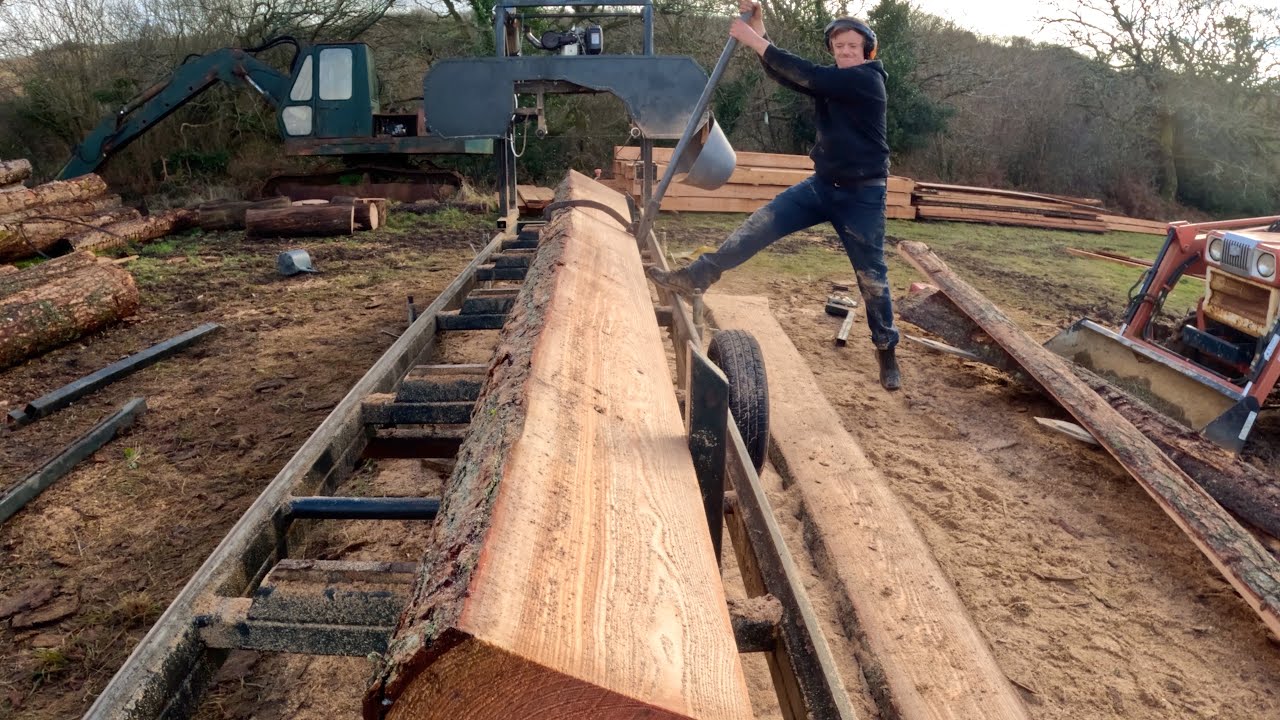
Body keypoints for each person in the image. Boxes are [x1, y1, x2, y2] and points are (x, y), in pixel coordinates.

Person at [647, 1, 902, 390]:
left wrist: (752, 40)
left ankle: (886, 350)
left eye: (852, 46)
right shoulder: (832, 78)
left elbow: (809, 73)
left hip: (862, 197)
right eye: (839, 47)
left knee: (872, 277)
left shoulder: (867, 80)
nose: (846, 52)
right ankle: (696, 276)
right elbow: (793, 75)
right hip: (822, 186)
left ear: (867, 51)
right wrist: (760, 31)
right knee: (758, 226)